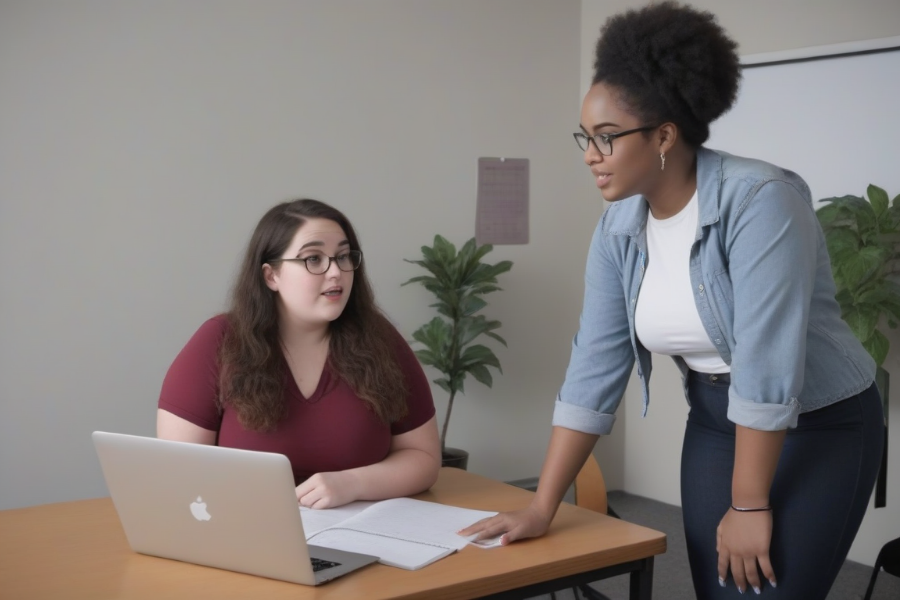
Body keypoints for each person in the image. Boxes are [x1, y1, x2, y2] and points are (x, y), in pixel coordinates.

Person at [460, 3, 885, 598]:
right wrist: (542, 506)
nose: (589, 154)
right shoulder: (618, 229)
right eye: (585, 137)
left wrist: (749, 506)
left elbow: (766, 365)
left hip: (818, 422)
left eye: (606, 138)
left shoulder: (761, 200)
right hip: (715, 421)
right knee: (719, 590)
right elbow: (593, 369)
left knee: (770, 590)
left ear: (663, 136)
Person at [157, 198, 441, 509]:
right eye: (313, 259)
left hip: (361, 537)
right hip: (246, 533)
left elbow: (424, 458)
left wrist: (353, 483)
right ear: (271, 276)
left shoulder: (380, 340)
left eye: (343, 256)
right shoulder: (218, 342)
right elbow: (179, 475)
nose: (336, 272)